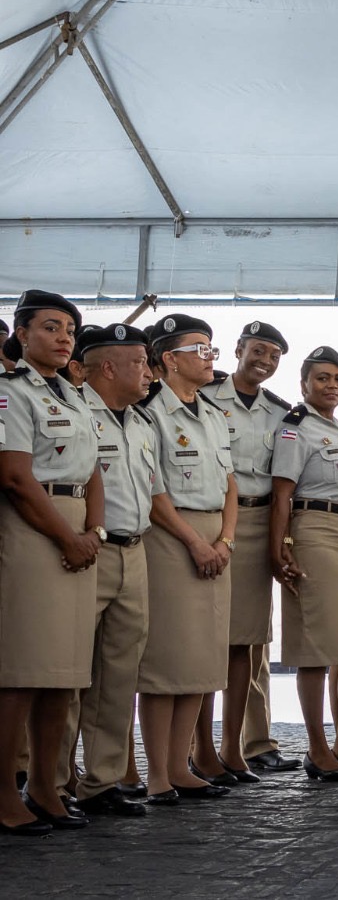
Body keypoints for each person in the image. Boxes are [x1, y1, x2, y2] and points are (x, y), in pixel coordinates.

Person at [0, 292, 104, 835]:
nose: (64, 337)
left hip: (78, 530)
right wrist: (68, 536)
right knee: (21, 671)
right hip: (35, 527)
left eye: (69, 329)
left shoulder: (76, 396)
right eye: (50, 327)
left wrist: (94, 532)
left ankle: (45, 785)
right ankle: (3, 793)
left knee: (62, 671)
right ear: (21, 333)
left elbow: (93, 471)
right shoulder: (11, 394)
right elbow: (15, 476)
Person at [269, 346, 338, 782]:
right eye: (322, 378)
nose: (331, 386)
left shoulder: (337, 430)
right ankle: (317, 748)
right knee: (315, 648)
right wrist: (280, 545)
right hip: (312, 531)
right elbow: (282, 493)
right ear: (303, 385)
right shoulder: (296, 429)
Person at [138, 313, 239, 802]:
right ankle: (157, 772)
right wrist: (196, 543)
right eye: (200, 349)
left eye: (211, 349)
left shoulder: (214, 415)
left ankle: (181, 766)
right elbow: (153, 490)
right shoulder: (149, 412)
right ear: (169, 359)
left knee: (201, 658)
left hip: (215, 536)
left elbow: (231, 484)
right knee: (166, 660)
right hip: (171, 536)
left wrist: (225, 540)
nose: (209, 358)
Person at [199, 321, 297, 781]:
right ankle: (196, 748)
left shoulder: (280, 414)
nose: (265, 360)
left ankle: (235, 747)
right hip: (207, 520)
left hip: (257, 524)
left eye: (275, 355)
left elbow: (284, 486)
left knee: (248, 641)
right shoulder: (202, 395)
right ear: (236, 349)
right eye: (258, 349)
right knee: (203, 638)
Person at [66, 324, 155, 818]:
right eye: (140, 362)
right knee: (71, 672)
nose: (147, 370)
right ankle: (55, 783)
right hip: (88, 553)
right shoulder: (76, 412)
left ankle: (101, 782)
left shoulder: (141, 423)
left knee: (119, 676)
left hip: (134, 552)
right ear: (108, 368)